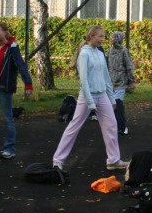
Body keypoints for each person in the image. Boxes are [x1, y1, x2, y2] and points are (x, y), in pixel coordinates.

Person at [51, 25, 128, 171]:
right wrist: (91, 103)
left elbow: (106, 77)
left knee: (111, 125)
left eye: (103, 36)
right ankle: (58, 160)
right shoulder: (84, 53)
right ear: (91, 36)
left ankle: (113, 161)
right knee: (74, 127)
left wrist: (112, 98)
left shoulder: (99, 53)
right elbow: (84, 80)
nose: (102, 39)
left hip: (102, 96)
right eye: (100, 36)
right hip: (87, 97)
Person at [0, 21, 33, 159]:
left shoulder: (13, 48)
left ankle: (9, 148)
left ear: (5, 32)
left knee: (8, 118)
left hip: (5, 87)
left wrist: (28, 84)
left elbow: (21, 65)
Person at [107, 31, 135, 135]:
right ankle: (115, 126)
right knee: (111, 106)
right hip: (111, 83)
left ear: (117, 39)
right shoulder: (110, 51)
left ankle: (122, 127)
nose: (110, 39)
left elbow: (129, 66)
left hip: (120, 83)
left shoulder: (124, 51)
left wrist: (131, 81)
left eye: (113, 37)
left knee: (118, 105)